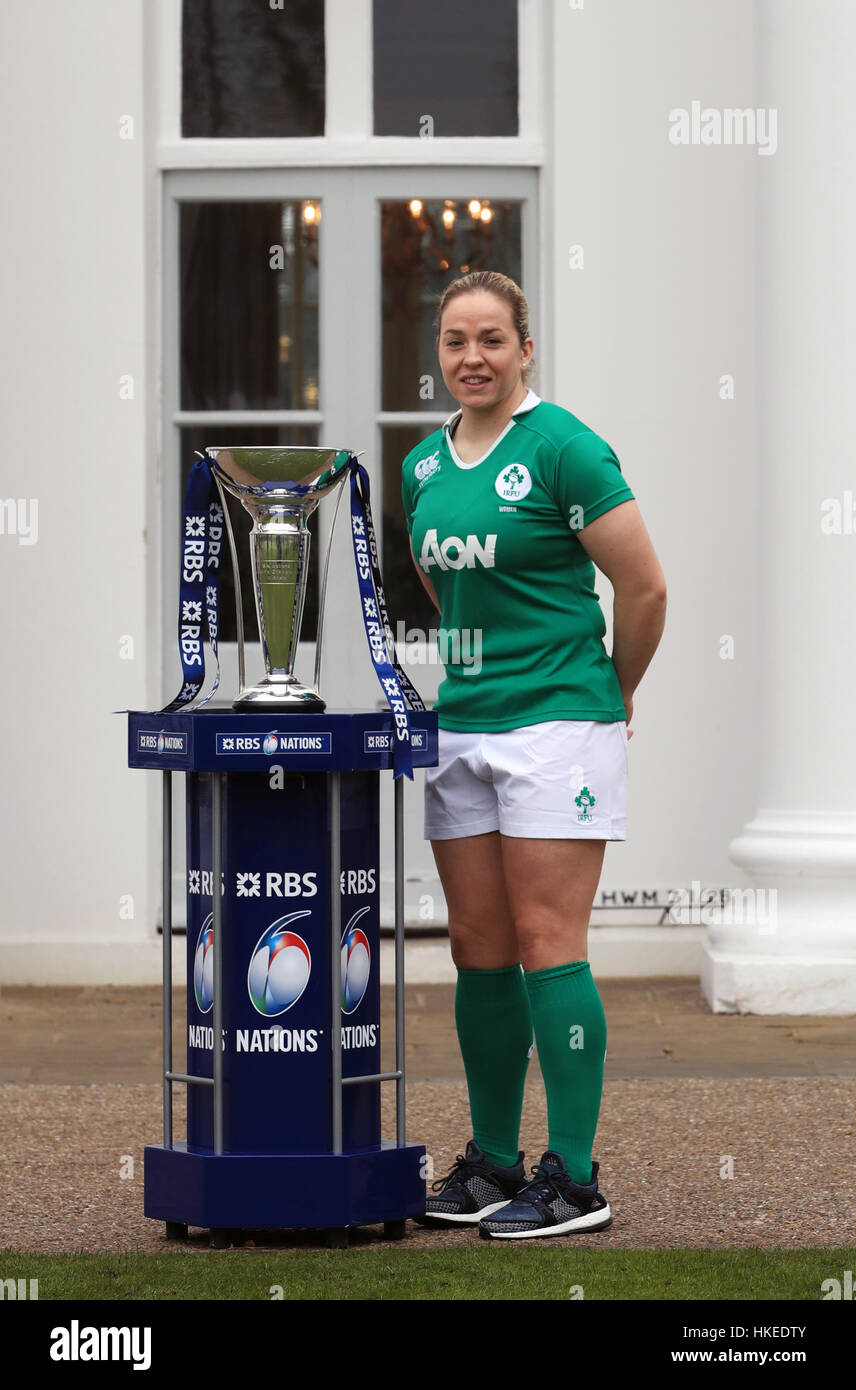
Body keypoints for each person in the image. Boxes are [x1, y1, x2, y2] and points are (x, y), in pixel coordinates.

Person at [399, 270, 667, 1240]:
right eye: (453, 339)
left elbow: (642, 589)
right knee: (478, 948)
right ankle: (493, 1162)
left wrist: (614, 690)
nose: (471, 356)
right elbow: (446, 591)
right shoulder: (423, 466)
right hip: (462, 722)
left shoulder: (565, 448)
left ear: (524, 349)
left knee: (548, 938)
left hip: (560, 720)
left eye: (490, 339)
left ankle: (577, 1178)